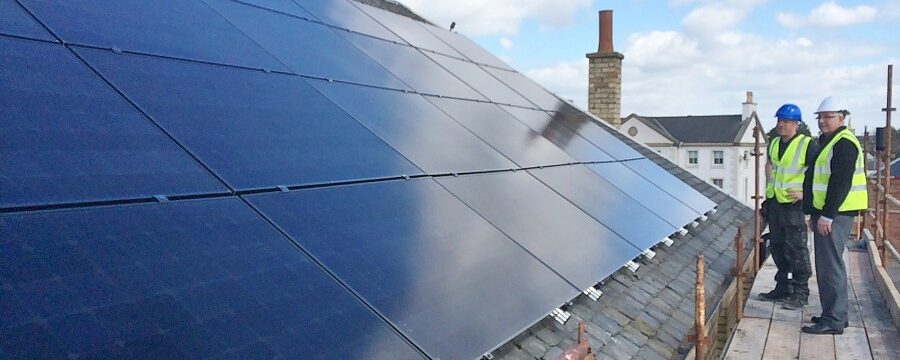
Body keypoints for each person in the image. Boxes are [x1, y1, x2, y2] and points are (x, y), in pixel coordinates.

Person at [801, 96, 868, 335]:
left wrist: (827, 216)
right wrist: (813, 213)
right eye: (820, 117)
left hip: (836, 214)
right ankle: (834, 313)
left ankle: (834, 319)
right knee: (828, 265)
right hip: (827, 213)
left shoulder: (844, 143)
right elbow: (818, 180)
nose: (822, 122)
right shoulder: (831, 141)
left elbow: (840, 182)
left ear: (841, 118)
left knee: (830, 267)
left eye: (828, 117)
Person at [757, 104, 816, 311]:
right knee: (779, 246)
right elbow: (771, 164)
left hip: (794, 205)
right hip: (775, 203)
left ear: (795, 124)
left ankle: (801, 292)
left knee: (797, 249)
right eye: (779, 121)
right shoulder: (774, 143)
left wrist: (805, 194)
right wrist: (769, 184)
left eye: (785, 121)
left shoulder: (807, 144)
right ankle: (783, 287)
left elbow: (817, 173)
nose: (781, 125)